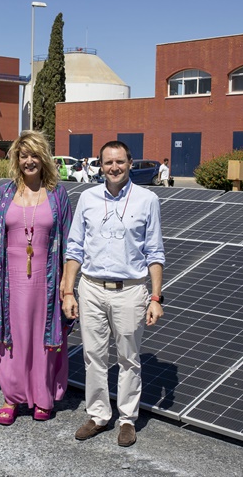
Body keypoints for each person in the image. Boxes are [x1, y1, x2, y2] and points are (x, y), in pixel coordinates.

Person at [61, 140, 165, 447]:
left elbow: (155, 251)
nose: (114, 167)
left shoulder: (147, 200)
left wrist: (156, 297)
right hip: (91, 287)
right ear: (100, 166)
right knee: (93, 356)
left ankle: (127, 419)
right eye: (108, 162)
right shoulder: (88, 198)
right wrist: (69, 291)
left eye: (120, 162)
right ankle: (97, 415)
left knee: (129, 358)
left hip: (130, 291)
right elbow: (75, 247)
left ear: (130, 163)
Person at [0, 130, 73, 426]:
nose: (29, 160)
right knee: (12, 337)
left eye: (35, 155)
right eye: (24, 155)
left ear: (43, 158)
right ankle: (12, 397)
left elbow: (70, 241)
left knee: (42, 338)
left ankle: (42, 397)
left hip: (47, 280)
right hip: (11, 281)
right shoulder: (4, 194)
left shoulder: (58, 194)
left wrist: (66, 283)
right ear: (16, 160)